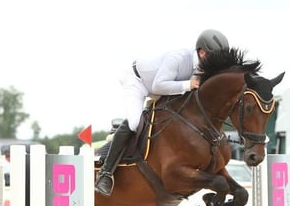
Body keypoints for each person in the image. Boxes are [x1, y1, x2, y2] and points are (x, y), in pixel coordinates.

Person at [94, 28, 230, 196]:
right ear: (202, 53)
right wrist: (189, 84)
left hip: (164, 87)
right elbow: (158, 85)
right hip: (138, 81)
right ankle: (105, 173)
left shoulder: (203, 66)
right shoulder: (178, 58)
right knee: (135, 122)